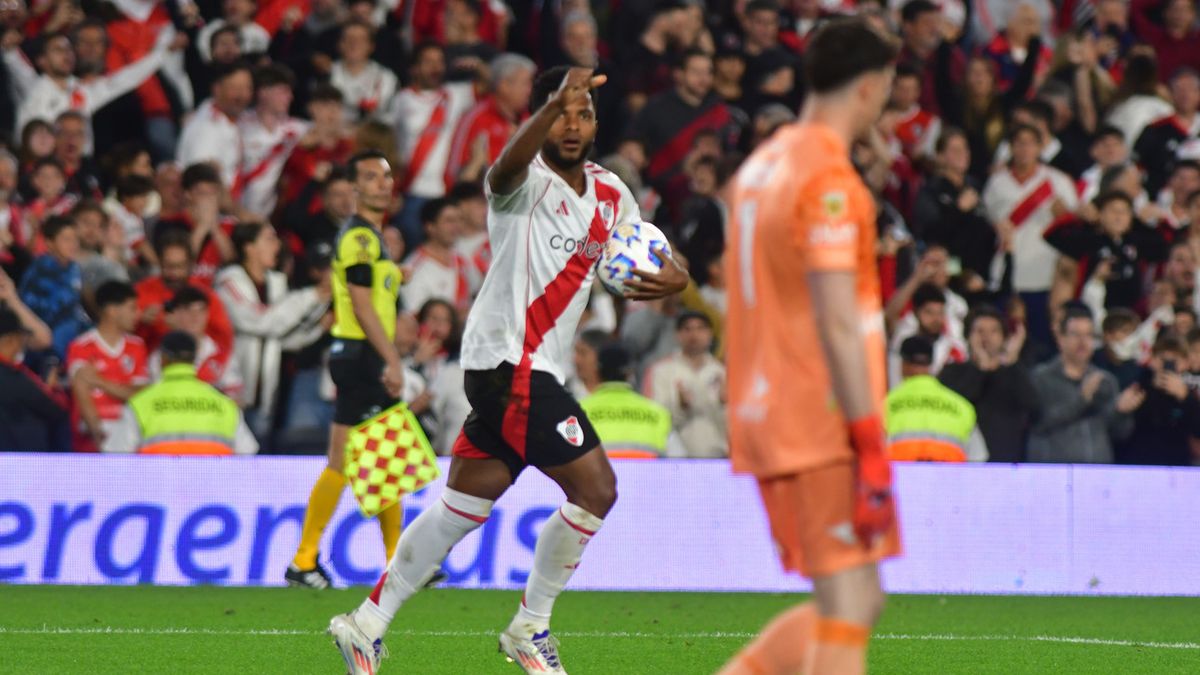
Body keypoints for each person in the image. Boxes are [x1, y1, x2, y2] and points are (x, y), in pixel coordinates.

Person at [328, 65, 688, 674]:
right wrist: (550, 104)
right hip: (507, 360)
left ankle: (365, 625)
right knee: (597, 488)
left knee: (463, 504)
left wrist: (675, 275)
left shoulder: (610, 194)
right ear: (544, 114)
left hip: (534, 369)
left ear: (597, 124)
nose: (572, 126)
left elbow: (655, 253)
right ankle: (530, 628)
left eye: (583, 114)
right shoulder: (522, 181)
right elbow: (501, 169)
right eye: (562, 112)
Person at [720, 19, 900, 675]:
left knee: (855, 599)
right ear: (873, 86)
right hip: (815, 415)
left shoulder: (761, 165)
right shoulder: (829, 180)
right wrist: (871, 441)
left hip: (764, 406)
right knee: (850, 602)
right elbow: (838, 321)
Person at [287, 151, 406, 590]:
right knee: (380, 459)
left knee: (355, 459)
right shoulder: (360, 237)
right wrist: (391, 359)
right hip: (363, 355)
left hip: (354, 353)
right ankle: (397, 562)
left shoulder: (371, 238)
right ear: (355, 189)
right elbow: (358, 301)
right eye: (371, 177)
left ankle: (305, 559)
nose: (381, 184)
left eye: (386, 176)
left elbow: (366, 292)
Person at [215, 222, 331, 441]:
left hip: (265, 398)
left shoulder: (277, 282)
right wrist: (313, 295)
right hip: (231, 393)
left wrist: (318, 325)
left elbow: (284, 336)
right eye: (269, 238)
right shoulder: (228, 281)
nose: (277, 245)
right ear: (249, 247)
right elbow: (260, 320)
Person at [106, 331, 258, 454]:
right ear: (194, 359)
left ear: (162, 359)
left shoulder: (140, 403)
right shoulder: (225, 405)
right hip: (212, 489)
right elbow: (248, 452)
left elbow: (116, 454)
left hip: (158, 489)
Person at [1028, 305, 1142, 464]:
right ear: (1061, 339)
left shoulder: (1105, 381)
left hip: (1096, 475)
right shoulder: (1041, 378)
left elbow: (1119, 434)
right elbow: (1038, 424)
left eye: (1089, 335)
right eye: (1075, 334)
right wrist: (1081, 399)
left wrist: (1120, 411)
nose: (1083, 342)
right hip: (1053, 476)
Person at [391, 42, 477, 241]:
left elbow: (493, 84)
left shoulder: (457, 94)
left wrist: (477, 66)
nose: (435, 67)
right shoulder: (401, 100)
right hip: (411, 192)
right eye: (428, 62)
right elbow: (389, 144)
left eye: (439, 61)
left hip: (446, 194)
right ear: (414, 68)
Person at [939, 305, 1039, 463]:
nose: (986, 337)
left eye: (994, 331)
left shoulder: (1014, 373)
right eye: (979, 331)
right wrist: (980, 371)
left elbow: (1034, 406)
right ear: (967, 336)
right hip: (962, 462)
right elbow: (953, 405)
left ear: (1004, 337)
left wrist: (1013, 363)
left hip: (1007, 463)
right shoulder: (953, 371)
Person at [65, 281, 149, 452]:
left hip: (129, 434)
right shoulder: (81, 346)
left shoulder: (137, 346)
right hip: (92, 437)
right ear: (112, 310)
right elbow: (81, 392)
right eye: (132, 308)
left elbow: (139, 394)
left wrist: (100, 382)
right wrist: (97, 433)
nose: (137, 314)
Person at [885, 336, 986, 462]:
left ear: (903, 364)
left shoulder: (885, 405)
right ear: (931, 364)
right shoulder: (962, 407)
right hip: (948, 480)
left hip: (901, 479)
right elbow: (978, 458)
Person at [644, 311, 728, 458]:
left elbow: (736, 425)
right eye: (687, 329)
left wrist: (724, 404)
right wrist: (681, 407)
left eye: (700, 328)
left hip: (718, 457)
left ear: (710, 334)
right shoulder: (661, 371)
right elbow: (654, 419)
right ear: (678, 335)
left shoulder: (722, 372)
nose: (694, 335)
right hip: (676, 459)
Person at [134, 232, 233, 354]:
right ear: (159, 263)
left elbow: (224, 340)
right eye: (168, 266)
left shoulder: (206, 296)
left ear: (191, 265)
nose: (174, 274)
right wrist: (141, 323)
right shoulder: (140, 292)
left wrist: (186, 325)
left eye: (180, 266)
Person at [237, 63, 309, 218]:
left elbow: (330, 132)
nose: (290, 97)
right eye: (284, 91)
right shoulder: (239, 125)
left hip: (274, 216)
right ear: (263, 92)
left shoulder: (297, 129)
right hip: (237, 211)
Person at [582, 342, 675, 459]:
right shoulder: (659, 413)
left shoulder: (579, 412)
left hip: (597, 477)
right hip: (646, 477)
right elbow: (679, 461)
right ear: (630, 373)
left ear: (597, 372)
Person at [1119, 333, 1200, 465]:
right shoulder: (1137, 386)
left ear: (1185, 363)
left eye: (1174, 361)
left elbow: (1197, 430)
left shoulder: (1190, 393)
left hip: (1177, 465)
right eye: (1163, 360)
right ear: (1153, 360)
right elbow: (1125, 430)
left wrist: (1185, 398)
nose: (1168, 366)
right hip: (1141, 463)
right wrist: (1151, 389)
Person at [151, 286, 243, 399]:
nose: (195, 317)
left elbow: (235, 398)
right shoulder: (162, 353)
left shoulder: (222, 355)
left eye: (201, 310)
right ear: (175, 314)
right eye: (188, 310)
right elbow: (154, 393)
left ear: (207, 314)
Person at [18, 215, 89, 360]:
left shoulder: (74, 267)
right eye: (66, 239)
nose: (73, 244)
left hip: (72, 335)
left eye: (75, 239)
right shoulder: (39, 271)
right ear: (49, 243)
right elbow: (33, 317)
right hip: (44, 343)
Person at [176, 61, 255, 190]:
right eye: (236, 88)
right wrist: (239, 211)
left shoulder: (233, 118)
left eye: (248, 88)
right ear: (217, 89)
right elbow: (201, 187)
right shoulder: (205, 130)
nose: (243, 95)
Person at [0, 306, 70, 451]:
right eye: (21, 338)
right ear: (11, 340)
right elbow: (56, 409)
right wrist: (52, 387)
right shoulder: (14, 377)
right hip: (20, 464)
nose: (22, 345)